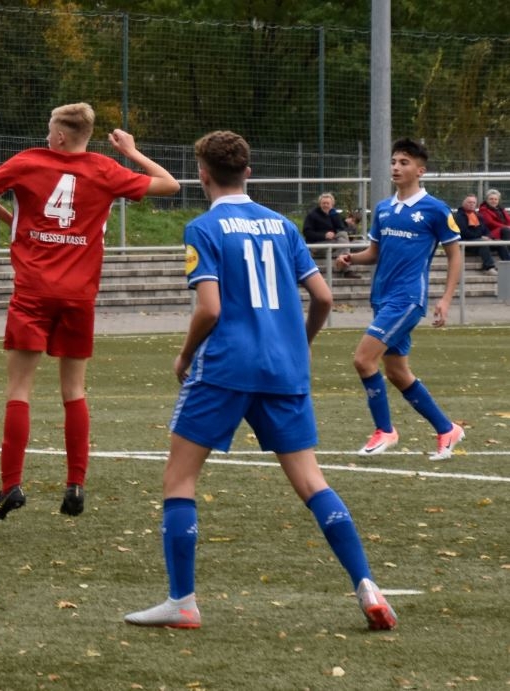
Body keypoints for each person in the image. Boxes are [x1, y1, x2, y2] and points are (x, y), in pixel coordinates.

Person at [124, 130, 396, 631]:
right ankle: (367, 584)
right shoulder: (283, 226)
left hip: (226, 367)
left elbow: (209, 308)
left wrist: (184, 356)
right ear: (248, 171)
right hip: (283, 369)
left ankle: (182, 602)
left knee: (179, 480)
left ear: (203, 175)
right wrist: (300, 345)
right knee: (312, 482)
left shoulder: (203, 228)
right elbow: (325, 299)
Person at [0, 102, 179, 524]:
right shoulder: (104, 169)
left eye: (50, 130)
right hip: (79, 296)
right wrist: (131, 152)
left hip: (33, 293)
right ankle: (75, 484)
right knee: (74, 391)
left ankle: (11, 486)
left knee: (19, 390)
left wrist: (11, 219)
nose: (47, 136)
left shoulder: (29, 160)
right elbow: (169, 185)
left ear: (60, 135)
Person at [335, 138, 465, 460]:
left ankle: (385, 431)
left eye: (404, 162)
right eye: (394, 161)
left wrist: (446, 299)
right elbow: (375, 253)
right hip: (382, 298)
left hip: (407, 299)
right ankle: (447, 429)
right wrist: (352, 258)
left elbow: (455, 256)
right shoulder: (383, 208)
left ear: (420, 170)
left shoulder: (435, 209)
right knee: (396, 372)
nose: (396, 167)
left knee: (363, 360)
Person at [452, 194, 499, 275]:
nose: (471, 204)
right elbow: (464, 233)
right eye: (469, 202)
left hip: (478, 242)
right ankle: (489, 267)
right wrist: (480, 237)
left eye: (473, 203)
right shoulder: (459, 217)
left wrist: (488, 236)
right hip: (466, 243)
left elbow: (485, 229)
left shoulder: (478, 216)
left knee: (499, 243)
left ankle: (507, 262)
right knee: (482, 243)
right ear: (464, 203)